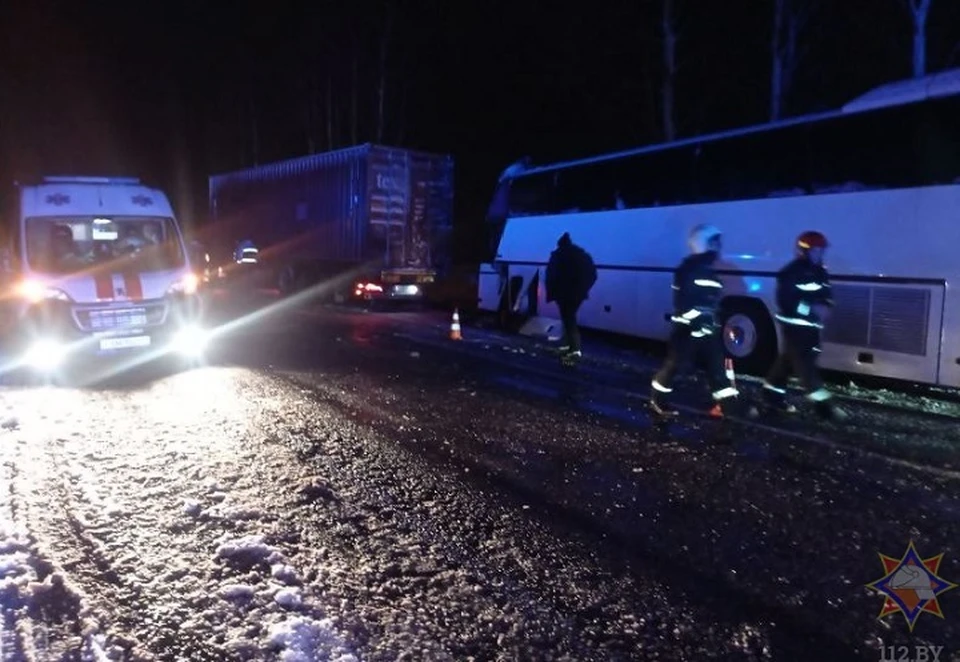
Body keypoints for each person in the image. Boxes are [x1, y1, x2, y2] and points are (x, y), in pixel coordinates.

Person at [650, 224, 741, 417]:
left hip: (709, 332)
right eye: (714, 242)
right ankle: (658, 399)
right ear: (702, 243)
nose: (718, 247)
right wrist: (698, 321)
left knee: (718, 372)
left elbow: (712, 302)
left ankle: (728, 409)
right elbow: (682, 303)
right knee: (675, 368)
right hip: (687, 332)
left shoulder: (709, 271)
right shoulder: (687, 270)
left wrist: (718, 321)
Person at [761, 231, 847, 421]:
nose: (820, 254)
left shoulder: (821, 272)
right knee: (805, 366)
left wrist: (826, 307)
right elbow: (786, 301)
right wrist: (811, 308)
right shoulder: (790, 272)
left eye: (821, 250)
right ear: (804, 251)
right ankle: (825, 408)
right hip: (794, 328)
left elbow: (827, 295)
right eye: (816, 250)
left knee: (786, 362)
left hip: (812, 328)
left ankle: (771, 394)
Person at [545, 232, 597, 361]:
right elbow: (593, 274)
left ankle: (572, 348)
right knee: (570, 318)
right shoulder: (582, 256)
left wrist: (552, 291)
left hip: (563, 293)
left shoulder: (559, 255)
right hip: (577, 293)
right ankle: (570, 346)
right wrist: (584, 288)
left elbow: (552, 275)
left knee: (568, 319)